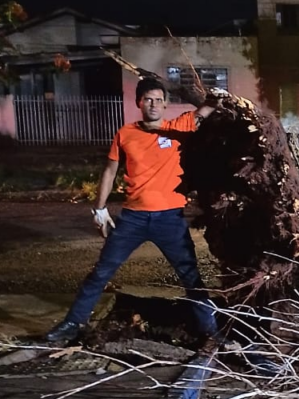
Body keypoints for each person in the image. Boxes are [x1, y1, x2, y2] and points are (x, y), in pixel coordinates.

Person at [45, 77, 218, 344]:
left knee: (190, 275)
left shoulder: (178, 128)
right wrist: (99, 209)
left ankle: (210, 331)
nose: (154, 104)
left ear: (165, 103)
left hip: (170, 219)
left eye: (159, 100)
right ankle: (73, 323)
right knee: (101, 272)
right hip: (132, 219)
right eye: (148, 99)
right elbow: (110, 170)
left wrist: (219, 95)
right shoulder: (125, 134)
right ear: (139, 102)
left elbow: (209, 108)